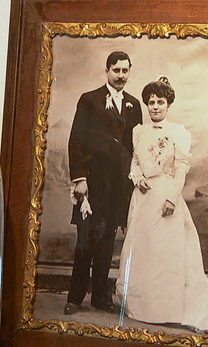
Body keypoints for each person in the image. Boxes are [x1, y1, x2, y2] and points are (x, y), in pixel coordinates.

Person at [114, 76, 208, 334]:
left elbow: (181, 169)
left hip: (166, 196)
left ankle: (168, 308)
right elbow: (134, 162)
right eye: (151, 102)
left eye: (160, 102)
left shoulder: (178, 132)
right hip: (142, 199)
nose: (155, 107)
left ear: (168, 105)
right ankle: (145, 307)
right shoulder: (138, 131)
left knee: (167, 253)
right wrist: (138, 178)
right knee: (144, 250)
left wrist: (171, 199)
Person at [64, 51, 143, 315]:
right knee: (86, 240)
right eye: (116, 70)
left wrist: (132, 184)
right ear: (106, 71)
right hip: (92, 184)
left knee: (107, 241)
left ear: (129, 72)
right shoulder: (89, 100)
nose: (121, 76)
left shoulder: (133, 104)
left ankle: (100, 296)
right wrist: (80, 179)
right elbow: (76, 140)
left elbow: (136, 147)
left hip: (118, 186)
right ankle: (75, 297)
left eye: (125, 71)